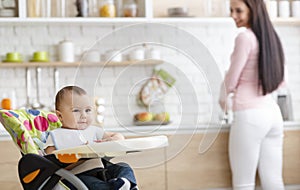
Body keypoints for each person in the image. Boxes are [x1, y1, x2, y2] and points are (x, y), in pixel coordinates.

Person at [219, 0, 285, 189]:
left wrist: (222, 100)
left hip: (249, 116)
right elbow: (281, 81)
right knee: (273, 180)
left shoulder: (245, 38)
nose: (233, 15)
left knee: (243, 183)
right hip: (273, 114)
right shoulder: (271, 37)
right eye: (231, 10)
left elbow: (230, 82)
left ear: (253, 9)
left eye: (238, 10)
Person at [44, 85, 138, 190]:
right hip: (76, 176)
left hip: (101, 170)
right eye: (76, 110)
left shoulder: (93, 130)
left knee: (123, 167)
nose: (84, 115)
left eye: (87, 110)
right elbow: (50, 165)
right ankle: (115, 187)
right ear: (60, 116)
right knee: (95, 185)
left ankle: (129, 185)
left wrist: (110, 140)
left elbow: (119, 136)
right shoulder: (55, 136)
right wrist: (80, 155)